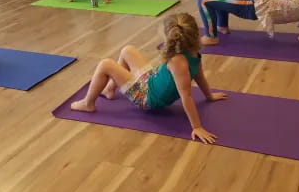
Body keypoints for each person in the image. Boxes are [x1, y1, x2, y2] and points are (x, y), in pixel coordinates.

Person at [70, 13, 227, 144]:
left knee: (105, 64)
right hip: (151, 80)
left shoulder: (177, 62)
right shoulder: (195, 54)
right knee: (127, 50)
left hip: (147, 97)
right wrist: (209, 96)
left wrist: (197, 126)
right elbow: (199, 76)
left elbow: (186, 96)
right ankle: (110, 89)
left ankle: (88, 103)